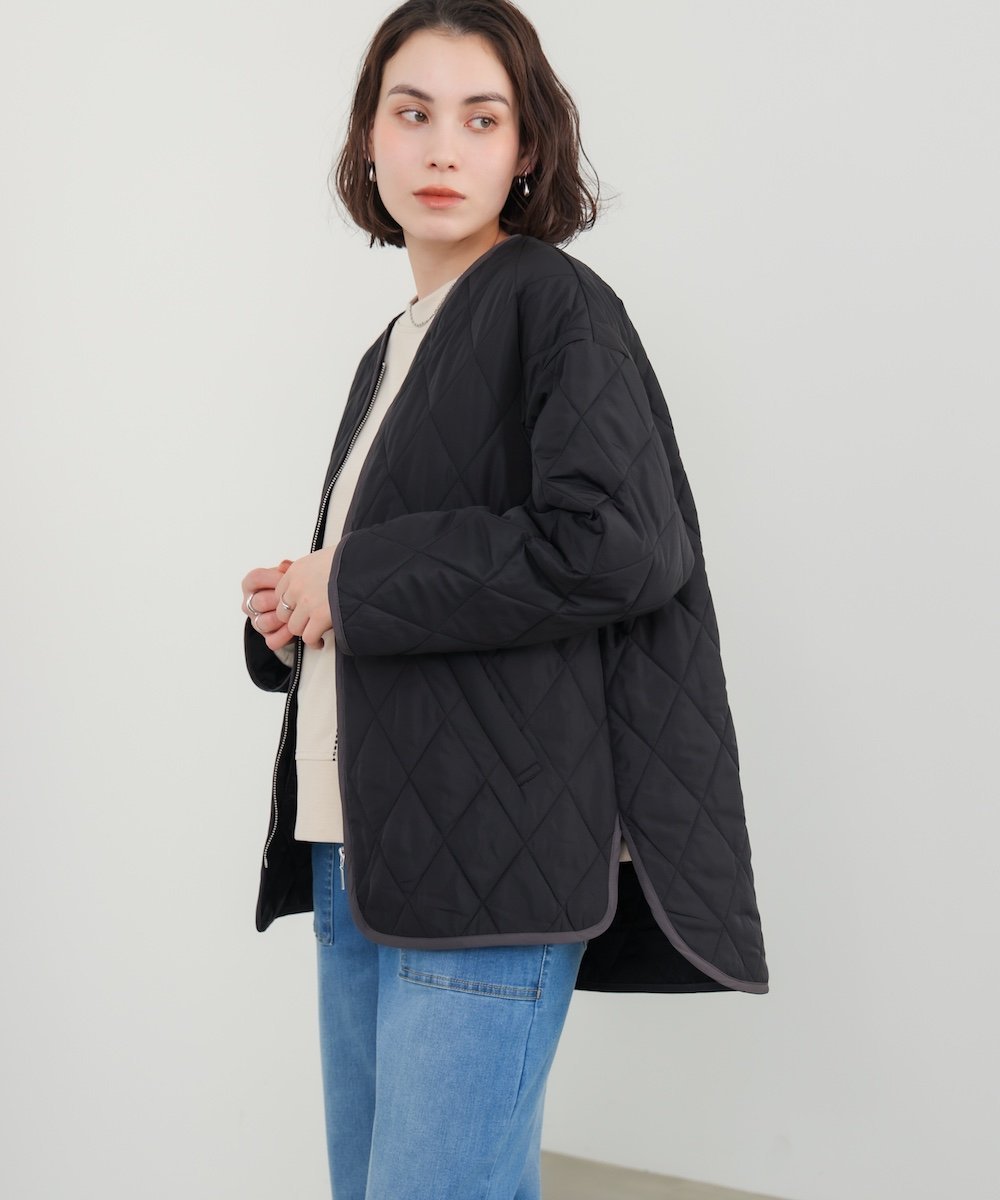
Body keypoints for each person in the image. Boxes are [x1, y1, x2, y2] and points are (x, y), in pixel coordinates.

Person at [240, 2, 769, 1197]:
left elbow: (617, 545)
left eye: (481, 120)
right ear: (368, 139)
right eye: (412, 113)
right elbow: (429, 587)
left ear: (526, 150)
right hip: (357, 844)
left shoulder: (550, 301)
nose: (442, 149)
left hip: (489, 856)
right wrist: (298, 609)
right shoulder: (396, 346)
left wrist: (356, 578)